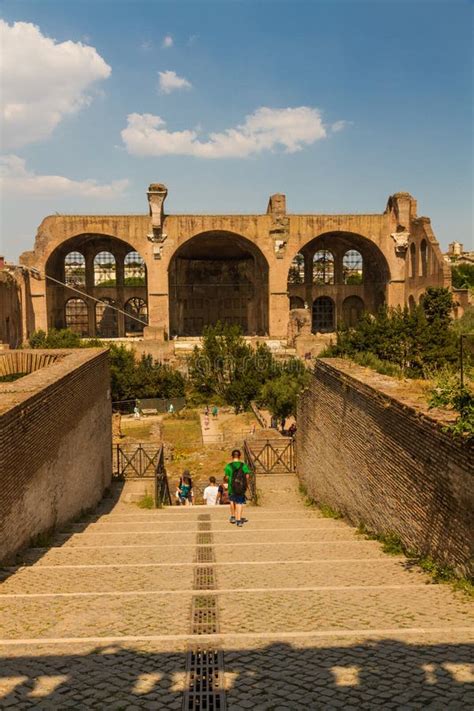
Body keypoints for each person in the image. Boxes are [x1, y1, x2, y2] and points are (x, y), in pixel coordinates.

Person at [224, 449, 250, 527]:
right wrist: (245, 484)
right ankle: (238, 520)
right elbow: (247, 476)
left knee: (232, 501)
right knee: (240, 503)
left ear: (232, 456)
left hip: (232, 487)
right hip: (240, 487)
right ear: (240, 456)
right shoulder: (243, 465)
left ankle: (233, 516)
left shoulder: (228, 466)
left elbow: (227, 477)